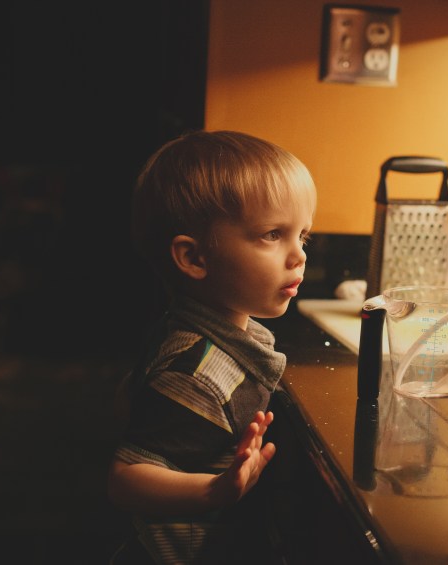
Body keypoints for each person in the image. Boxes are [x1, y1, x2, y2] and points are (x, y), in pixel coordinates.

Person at [108, 130, 316, 564]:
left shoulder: (205, 330)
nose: (298, 255)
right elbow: (124, 479)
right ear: (195, 258)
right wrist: (215, 490)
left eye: (303, 236)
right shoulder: (199, 373)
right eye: (272, 234)